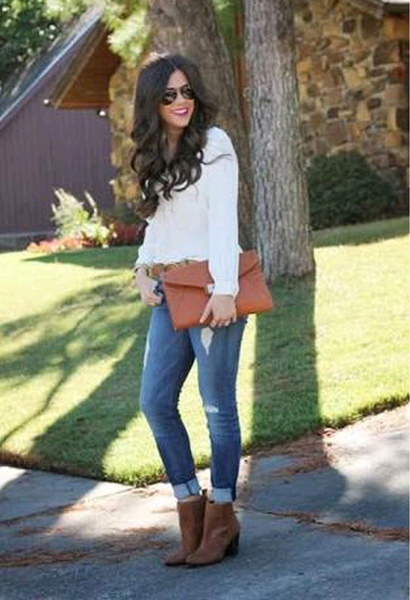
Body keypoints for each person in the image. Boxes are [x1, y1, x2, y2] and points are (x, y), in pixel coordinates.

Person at [131, 52, 246, 567]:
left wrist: (226, 288)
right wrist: (141, 270)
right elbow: (158, 226)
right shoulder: (156, 153)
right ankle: (190, 512)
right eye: (168, 95)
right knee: (155, 401)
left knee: (217, 406)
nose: (180, 102)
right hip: (170, 291)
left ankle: (222, 517)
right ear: (151, 103)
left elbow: (223, 221)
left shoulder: (214, 144)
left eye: (186, 92)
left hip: (213, 289)